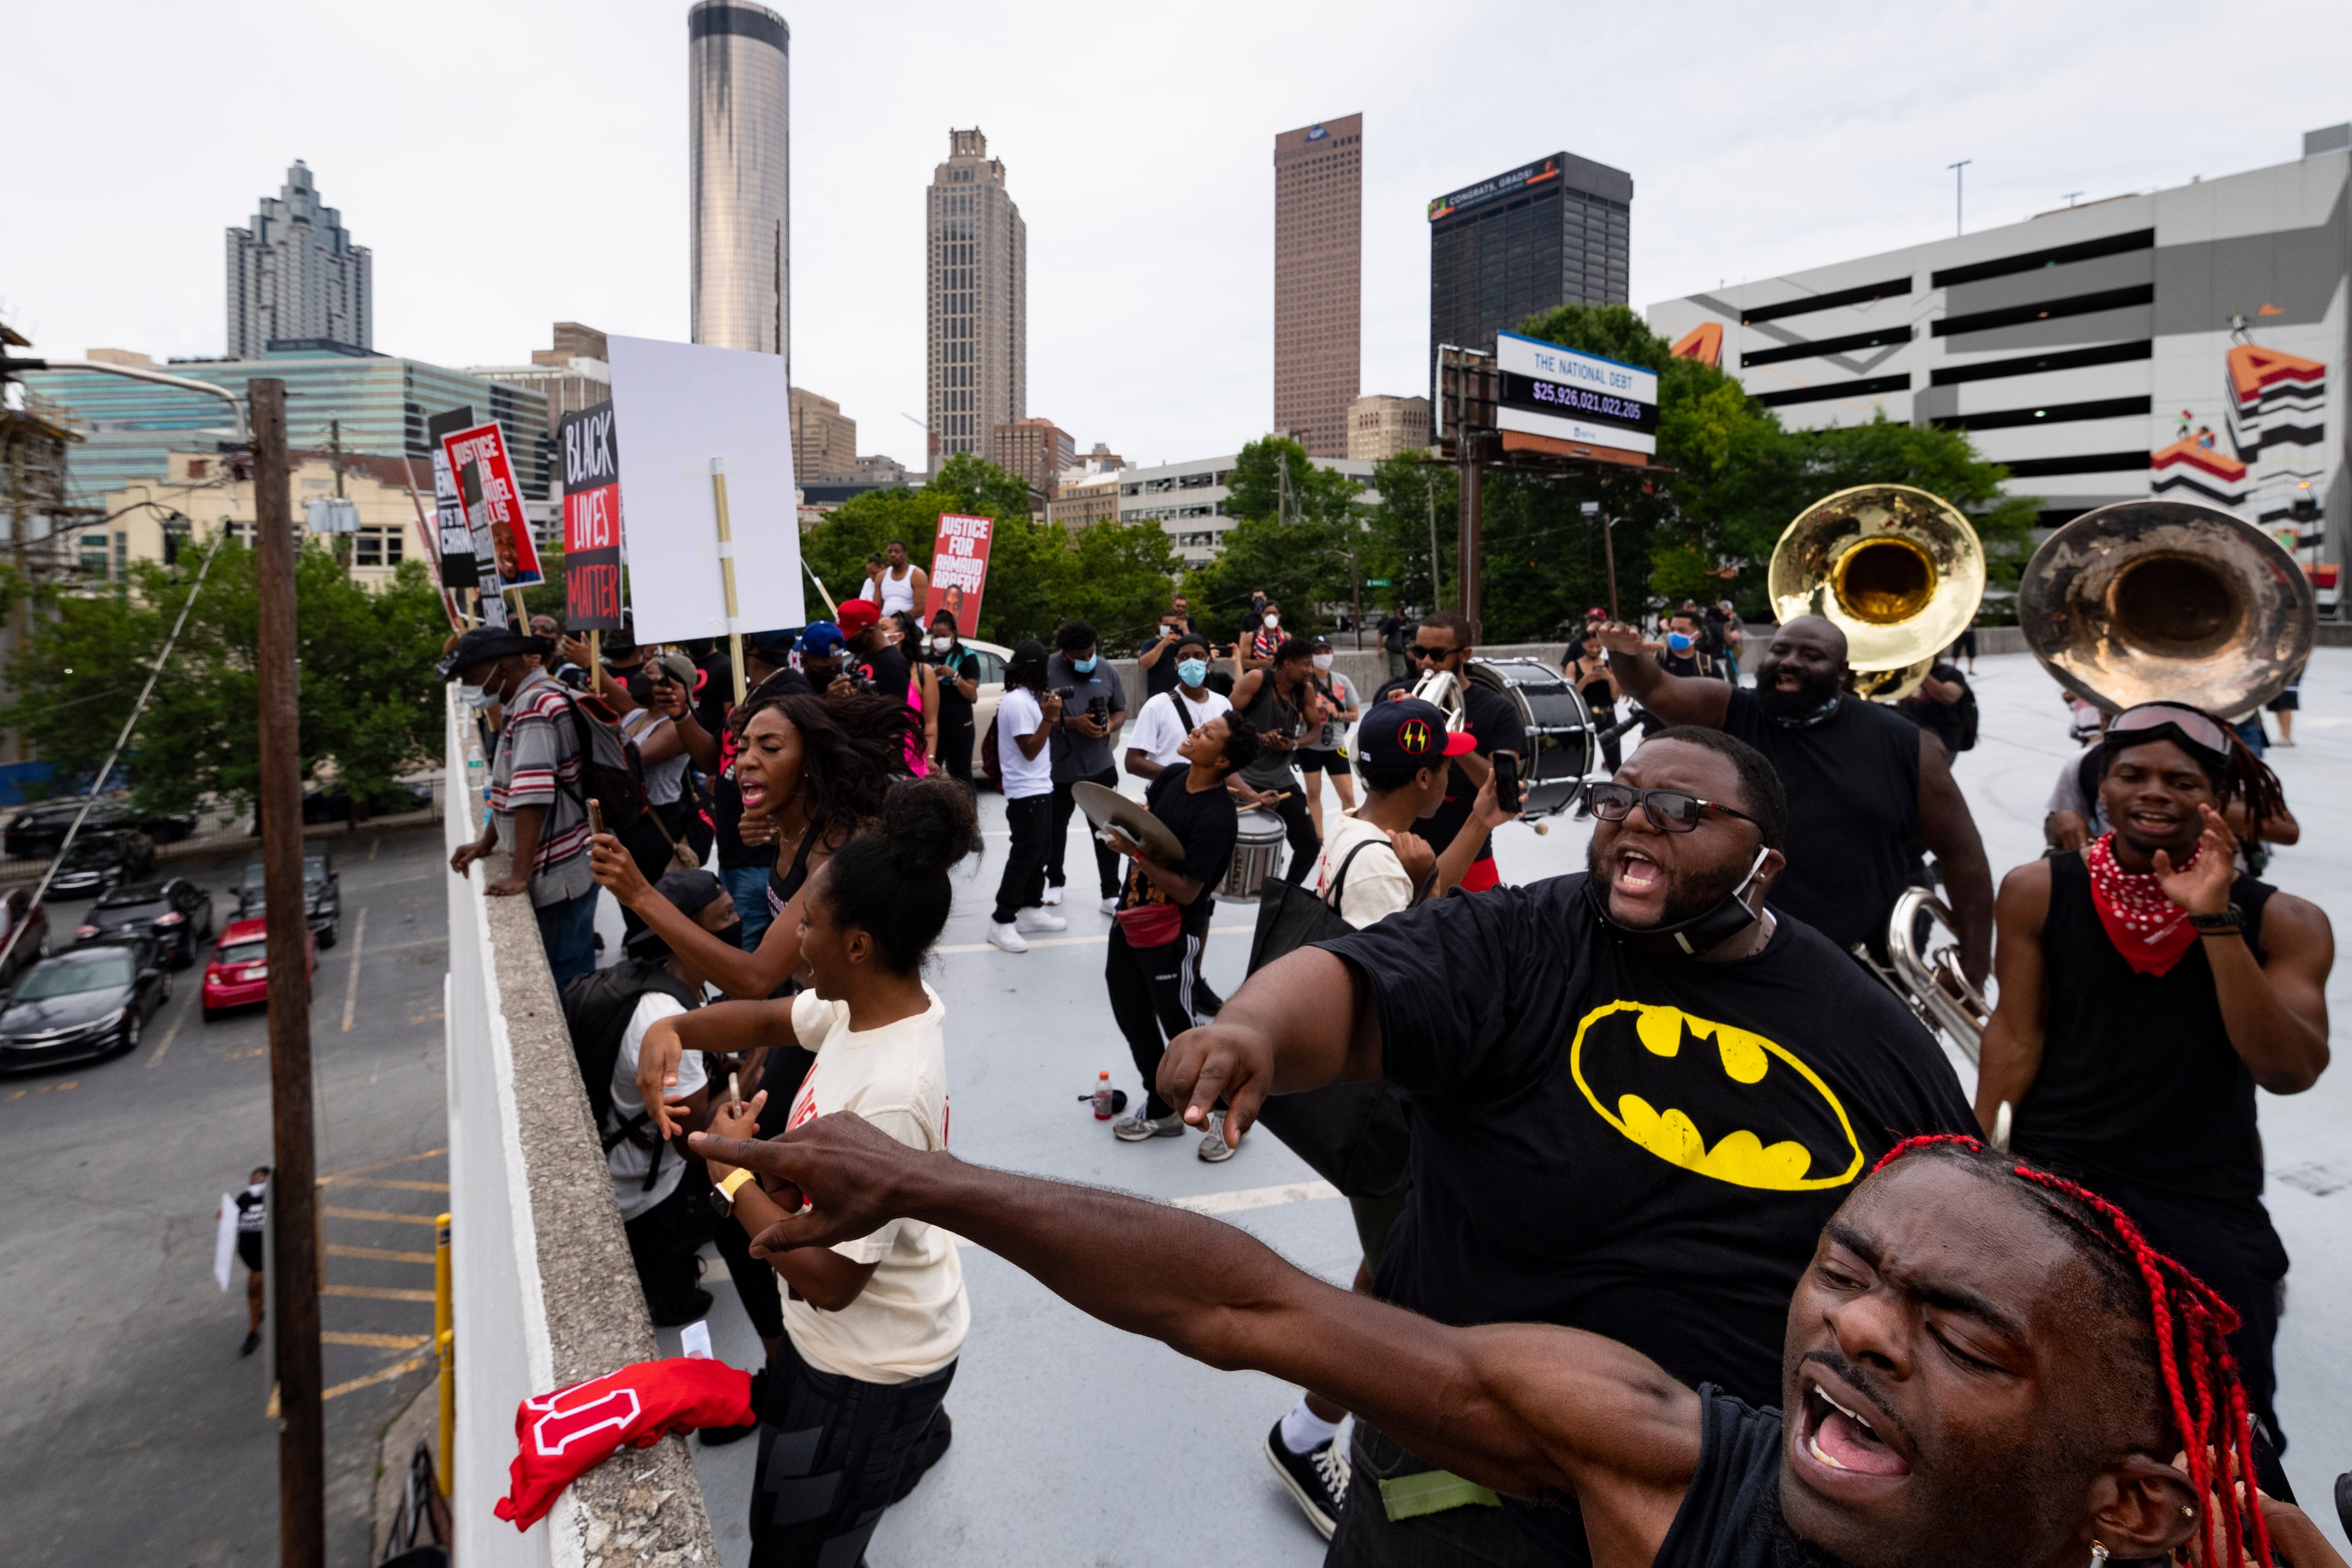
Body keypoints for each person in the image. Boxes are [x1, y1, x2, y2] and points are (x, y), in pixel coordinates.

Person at [697, 1115, 2342, 1568]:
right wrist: (921, 1177)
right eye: (1848, 1272)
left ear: (2124, 1506)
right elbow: (1255, 1305)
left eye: (1963, 1338)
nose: (1853, 1334)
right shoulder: (1662, 1465)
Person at [1158, 726, 1973, 1564]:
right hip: (1461, 1491)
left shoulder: (1867, 1034)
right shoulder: (1521, 939)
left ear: (1766, 864)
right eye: (1617, 800)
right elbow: (1361, 980)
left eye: (1678, 810)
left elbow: (1959, 1240)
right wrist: (1253, 1029)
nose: (1635, 821)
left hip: (1710, 1510)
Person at [1975, 701, 2332, 1494]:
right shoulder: (2036, 890)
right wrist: (1973, 1167)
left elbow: (2288, 1068)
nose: (2153, 792)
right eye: (2131, 773)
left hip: (2202, 1189)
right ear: (2102, 785)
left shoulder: (2288, 922)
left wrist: (2214, 919)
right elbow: (2015, 1039)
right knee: (2028, 1412)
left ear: (2221, 799)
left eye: (2182, 779)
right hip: (2058, 1179)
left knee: (2230, 1433)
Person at [666, 779, 976, 1566]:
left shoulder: (890, 1091)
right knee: (791, 1533)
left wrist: (733, 1174)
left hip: (869, 1366)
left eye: (808, 922)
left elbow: (834, 1280)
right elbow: (770, 1014)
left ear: (859, 943)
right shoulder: (868, 1004)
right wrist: (670, 1029)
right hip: (832, 1347)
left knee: (798, 1553)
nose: (793, 936)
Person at [1256, 698, 1515, 1533]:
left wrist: (1472, 827)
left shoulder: (1352, 833)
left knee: (1396, 1271)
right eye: (1452, 767)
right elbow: (1393, 998)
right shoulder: (1377, 866)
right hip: (1385, 1119)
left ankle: (1313, 1428)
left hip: (1388, 1121)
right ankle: (1311, 1436)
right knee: (1400, 1289)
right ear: (1430, 773)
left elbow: (1417, 904)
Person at [1600, 614, 1996, 986]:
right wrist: (1625, 654)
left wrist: (1974, 966)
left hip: (1860, 966)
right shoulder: (1729, 709)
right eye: (1781, 650)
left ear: (1842, 671)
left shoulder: (1908, 745)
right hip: (1735, 952)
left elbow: (1964, 857)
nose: (1790, 662)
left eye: (1811, 656)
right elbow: (1654, 688)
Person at [592, 684, 911, 1020]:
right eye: (742, 748)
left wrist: (639, 894)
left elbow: (755, 978)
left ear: (809, 761)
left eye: (770, 748)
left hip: (860, 1026)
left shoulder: (836, 854)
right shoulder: (797, 832)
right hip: (816, 1012)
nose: (747, 762)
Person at [576, 870, 747, 1328]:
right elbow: (691, 1143)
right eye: (725, 915)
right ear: (686, 932)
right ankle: (666, 1263)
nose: (738, 924)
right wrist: (752, 1070)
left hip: (622, 1149)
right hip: (641, 1190)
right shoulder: (671, 1021)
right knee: (746, 1176)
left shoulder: (659, 979)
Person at [1099, 713, 1257, 1156]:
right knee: (1132, 1016)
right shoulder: (1170, 777)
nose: (1195, 732)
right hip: (1131, 917)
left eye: (1206, 734)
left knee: (1185, 1031)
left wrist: (1132, 851)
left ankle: (1228, 1112)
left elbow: (1189, 892)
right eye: (1200, 726)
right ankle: (1164, 1106)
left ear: (1223, 759)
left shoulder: (1218, 817)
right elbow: (1153, 833)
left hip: (1173, 935)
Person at [444, 627, 600, 989]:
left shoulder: (533, 710)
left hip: (559, 874)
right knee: (575, 962)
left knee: (568, 978)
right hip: (573, 864)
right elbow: (511, 786)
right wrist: (487, 843)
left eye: (471, 677)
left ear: (501, 668)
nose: (468, 687)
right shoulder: (537, 696)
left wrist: (520, 875)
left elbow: (532, 796)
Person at [654, 630, 809, 944]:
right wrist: (682, 715)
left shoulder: (791, 694)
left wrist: (784, 831)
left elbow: (815, 775)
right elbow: (714, 761)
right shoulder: (751, 694)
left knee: (748, 968)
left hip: (763, 862)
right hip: (737, 856)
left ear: (746, 642)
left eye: (768, 746)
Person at [1395, 609, 1527, 894]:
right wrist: (1389, 718)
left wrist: (1450, 739)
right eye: (1419, 651)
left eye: (1438, 654)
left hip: (1472, 856)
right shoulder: (1397, 697)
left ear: (1465, 654)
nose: (1426, 662)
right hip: (1400, 849)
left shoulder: (1498, 709)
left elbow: (1499, 787)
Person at [1041, 620, 1128, 914]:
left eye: (1090, 653)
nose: (1086, 660)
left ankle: (1110, 893)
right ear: (1065, 654)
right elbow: (1037, 716)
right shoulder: (1048, 670)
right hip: (1059, 770)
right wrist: (1073, 723)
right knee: (1055, 830)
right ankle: (1055, 882)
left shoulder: (1106, 670)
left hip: (1100, 767)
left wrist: (1110, 728)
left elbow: (1120, 711)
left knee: (1107, 831)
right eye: (1079, 657)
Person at [987, 641, 1067, 954]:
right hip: (1025, 791)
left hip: (1040, 787)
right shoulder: (1018, 702)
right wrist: (1048, 719)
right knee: (1025, 855)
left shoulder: (1029, 699)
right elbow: (1030, 750)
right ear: (1036, 668)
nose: (1049, 672)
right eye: (1046, 666)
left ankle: (1029, 909)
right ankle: (1002, 919)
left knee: (1041, 852)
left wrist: (1048, 715)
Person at [1229, 638, 1324, 886]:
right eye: (1305, 665)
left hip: (1281, 779)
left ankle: (1283, 894)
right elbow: (1227, 718)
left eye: (1311, 665)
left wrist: (1294, 744)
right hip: (1244, 777)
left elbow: (1316, 731)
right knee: (1220, 841)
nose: (1309, 671)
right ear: (1287, 664)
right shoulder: (1257, 680)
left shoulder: (1305, 690)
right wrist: (1260, 738)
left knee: (1309, 847)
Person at [1124, 632, 1234, 779]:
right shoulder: (1157, 706)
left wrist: (1252, 795)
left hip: (1210, 796)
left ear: (1209, 661)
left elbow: (1228, 759)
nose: (1191, 662)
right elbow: (1132, 762)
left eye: (1198, 656)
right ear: (1176, 664)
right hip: (1168, 796)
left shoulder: (1223, 704)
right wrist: (1180, 776)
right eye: (1184, 657)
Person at [1298, 636, 1362, 843]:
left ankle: (1349, 836)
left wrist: (1337, 714)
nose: (1323, 657)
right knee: (1313, 794)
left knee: (1348, 796)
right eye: (1318, 653)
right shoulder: (1303, 685)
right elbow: (1294, 716)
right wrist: (1311, 709)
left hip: (1336, 745)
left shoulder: (1342, 681)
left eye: (1327, 652)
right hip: (1311, 746)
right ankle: (1320, 838)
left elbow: (1354, 714)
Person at [922, 609, 982, 785]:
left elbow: (972, 695)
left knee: (961, 777)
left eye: (944, 635)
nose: (939, 639)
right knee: (930, 776)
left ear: (953, 634)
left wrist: (955, 677)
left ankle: (967, 811)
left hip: (960, 727)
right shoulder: (927, 658)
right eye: (936, 635)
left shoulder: (966, 657)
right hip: (934, 728)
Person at [1562, 628, 1624, 775]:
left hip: (1608, 716)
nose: (1595, 650)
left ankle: (1620, 793)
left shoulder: (1610, 665)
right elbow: (1570, 696)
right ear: (1583, 644)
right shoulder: (1573, 666)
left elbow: (1616, 698)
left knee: (1615, 762)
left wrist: (1610, 679)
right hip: (1585, 717)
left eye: (1598, 646)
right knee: (1582, 763)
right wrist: (1585, 680)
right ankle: (1584, 797)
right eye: (1591, 646)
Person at [891, 609, 942, 776]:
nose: (879, 634)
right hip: (882, 758)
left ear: (901, 636)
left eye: (884, 629)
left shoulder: (923, 672)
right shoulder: (872, 669)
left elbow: (931, 721)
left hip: (913, 759)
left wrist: (930, 758)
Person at [225, 1167, 269, 1356]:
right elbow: (231, 1218)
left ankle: (253, 1332)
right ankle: (257, 1313)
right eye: (254, 1180)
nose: (257, 1183)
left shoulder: (273, 1200)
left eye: (262, 1180)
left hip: (266, 1252)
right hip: (250, 1254)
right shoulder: (244, 1199)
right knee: (257, 1286)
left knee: (256, 1285)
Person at [1893, 659, 1974, 761]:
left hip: (1943, 741)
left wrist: (1922, 674)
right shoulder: (1909, 675)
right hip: (1912, 739)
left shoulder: (1952, 674)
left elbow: (1949, 697)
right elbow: (1901, 702)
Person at [835, 600, 910, 710]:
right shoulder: (862, 655)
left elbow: (895, 714)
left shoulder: (894, 663)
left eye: (852, 636)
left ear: (870, 631)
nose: (847, 640)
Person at [1137, 598, 1199, 699]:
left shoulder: (1181, 644)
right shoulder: (1150, 643)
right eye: (1166, 625)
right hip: (1159, 697)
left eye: (1173, 626)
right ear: (1159, 625)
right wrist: (1163, 643)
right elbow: (1145, 663)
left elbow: (1197, 655)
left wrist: (1184, 635)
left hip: (1182, 697)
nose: (1170, 628)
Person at [873, 538, 927, 622]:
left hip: (911, 623)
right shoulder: (881, 576)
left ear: (906, 554)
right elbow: (876, 607)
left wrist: (896, 620)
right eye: (890, 552)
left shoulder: (917, 575)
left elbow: (921, 608)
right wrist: (883, 620)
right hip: (885, 623)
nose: (893, 554)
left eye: (897, 551)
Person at [1241, 598, 1288, 672]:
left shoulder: (1285, 637)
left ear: (1279, 616)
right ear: (1262, 615)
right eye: (1268, 613)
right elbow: (1244, 663)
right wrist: (1262, 662)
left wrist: (1276, 660)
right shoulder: (1251, 637)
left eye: (1274, 613)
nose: (1271, 616)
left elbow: (1290, 661)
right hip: (1257, 678)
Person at [2265, 662, 2303, 745]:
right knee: (2276, 699)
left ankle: (2286, 736)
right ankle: (2284, 735)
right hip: (2278, 665)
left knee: (2284, 698)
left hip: (2290, 666)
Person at [1377, 610, 1411, 684]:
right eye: (1402, 609)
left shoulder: (1407, 621)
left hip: (1404, 652)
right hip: (1396, 653)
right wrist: (1379, 649)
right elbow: (1381, 633)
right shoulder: (1392, 621)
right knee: (1400, 676)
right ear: (1398, 610)